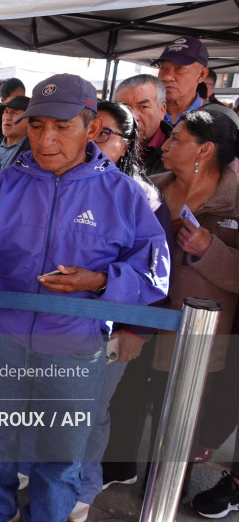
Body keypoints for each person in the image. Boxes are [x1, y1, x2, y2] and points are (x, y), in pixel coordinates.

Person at [0, 74, 169, 522]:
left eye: (62, 126)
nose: (46, 140)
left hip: (77, 345)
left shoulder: (124, 194)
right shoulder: (1, 184)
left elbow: (155, 273)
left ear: (90, 128)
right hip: (3, 336)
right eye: (38, 125)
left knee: (61, 452)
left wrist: (99, 281)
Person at [69, 101, 174, 521]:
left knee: (92, 411)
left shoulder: (142, 197)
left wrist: (135, 331)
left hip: (110, 330)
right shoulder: (62, 185)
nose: (93, 141)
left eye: (105, 133)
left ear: (127, 143)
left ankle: (84, 487)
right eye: (88, 130)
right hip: (58, 326)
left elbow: (156, 274)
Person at [150, 111, 239, 510]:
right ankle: (122, 474)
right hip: (140, 325)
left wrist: (210, 251)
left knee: (180, 427)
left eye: (177, 139)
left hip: (198, 340)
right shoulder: (149, 189)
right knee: (129, 411)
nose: (165, 145)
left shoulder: (234, 202)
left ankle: (165, 500)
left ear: (205, 150)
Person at [114, 75, 171, 176]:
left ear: (162, 110)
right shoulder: (100, 145)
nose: (133, 117)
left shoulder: (178, 152)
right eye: (124, 108)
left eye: (143, 107)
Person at [153, 36, 209, 125]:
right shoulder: (143, 113)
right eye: (163, 68)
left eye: (180, 68)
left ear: (201, 74)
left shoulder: (220, 117)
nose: (167, 77)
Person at [0, 95, 30, 169]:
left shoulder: (33, 151)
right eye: (5, 112)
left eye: (14, 113)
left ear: (28, 119)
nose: (7, 118)